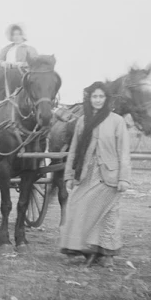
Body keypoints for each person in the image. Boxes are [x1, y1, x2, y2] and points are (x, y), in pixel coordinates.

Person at [60, 81, 131, 268]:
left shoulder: (117, 121)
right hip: (85, 173)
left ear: (106, 99)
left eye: (101, 97)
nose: (97, 100)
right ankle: (79, 249)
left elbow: (123, 151)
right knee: (76, 206)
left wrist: (124, 178)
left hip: (109, 176)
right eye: (94, 97)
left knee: (108, 214)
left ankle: (106, 254)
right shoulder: (83, 121)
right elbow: (74, 149)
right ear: (89, 99)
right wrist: (69, 175)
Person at [0, 24, 38, 101]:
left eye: (18, 34)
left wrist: (22, 64)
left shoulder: (29, 49)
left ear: (22, 36)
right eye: (14, 35)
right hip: (5, 71)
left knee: (12, 74)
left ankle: (11, 98)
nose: (16, 37)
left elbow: (35, 62)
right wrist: (2, 63)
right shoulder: (7, 48)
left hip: (21, 72)